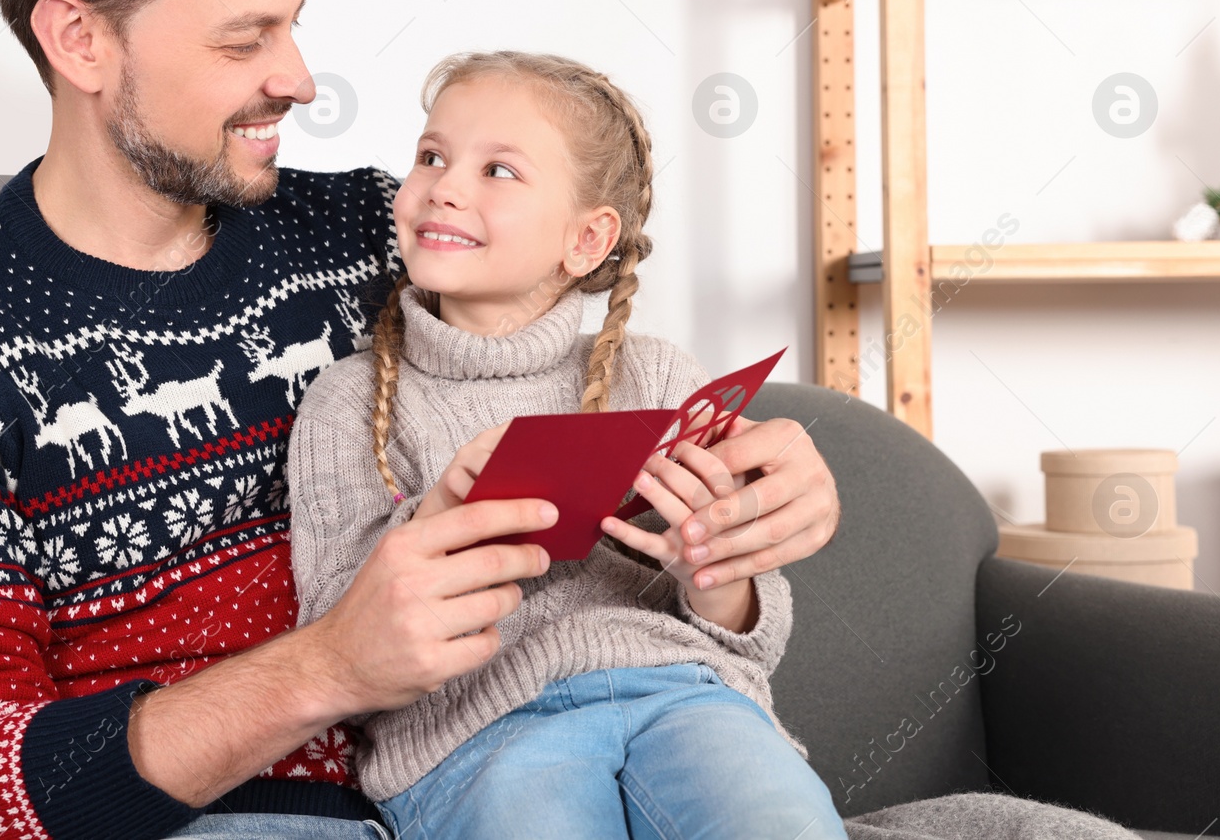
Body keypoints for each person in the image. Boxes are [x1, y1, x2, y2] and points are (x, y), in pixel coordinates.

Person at [0, 0, 840, 840]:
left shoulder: (373, 233)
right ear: (79, 39)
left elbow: (586, 334)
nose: (296, 79)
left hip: (515, 764)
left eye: (292, 24)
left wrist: (769, 472)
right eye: (243, 39)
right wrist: (329, 663)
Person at [286, 51, 847, 840]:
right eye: (431, 156)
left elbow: (752, 632)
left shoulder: (654, 372)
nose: (444, 184)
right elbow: (339, 650)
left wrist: (711, 571)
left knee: (777, 821)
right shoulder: (349, 402)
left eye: (499, 171)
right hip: (479, 733)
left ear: (586, 240)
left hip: (683, 694)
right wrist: (438, 514)